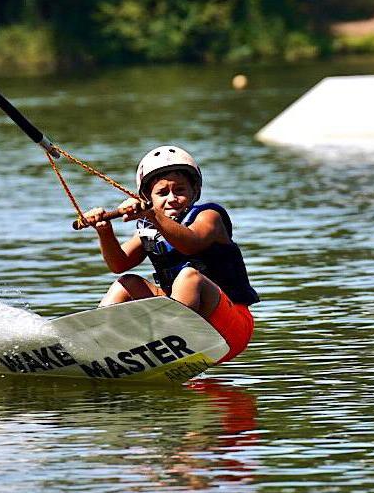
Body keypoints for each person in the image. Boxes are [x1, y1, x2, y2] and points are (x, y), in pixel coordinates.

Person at [81, 145, 258, 363]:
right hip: (185, 322)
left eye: (180, 191)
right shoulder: (151, 226)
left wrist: (151, 213)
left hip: (231, 328)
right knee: (126, 282)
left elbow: (190, 244)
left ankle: (166, 342)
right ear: (148, 196)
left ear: (195, 191)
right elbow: (119, 263)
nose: (172, 198)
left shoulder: (209, 217)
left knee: (189, 276)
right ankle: (96, 345)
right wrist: (104, 231)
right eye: (162, 193)